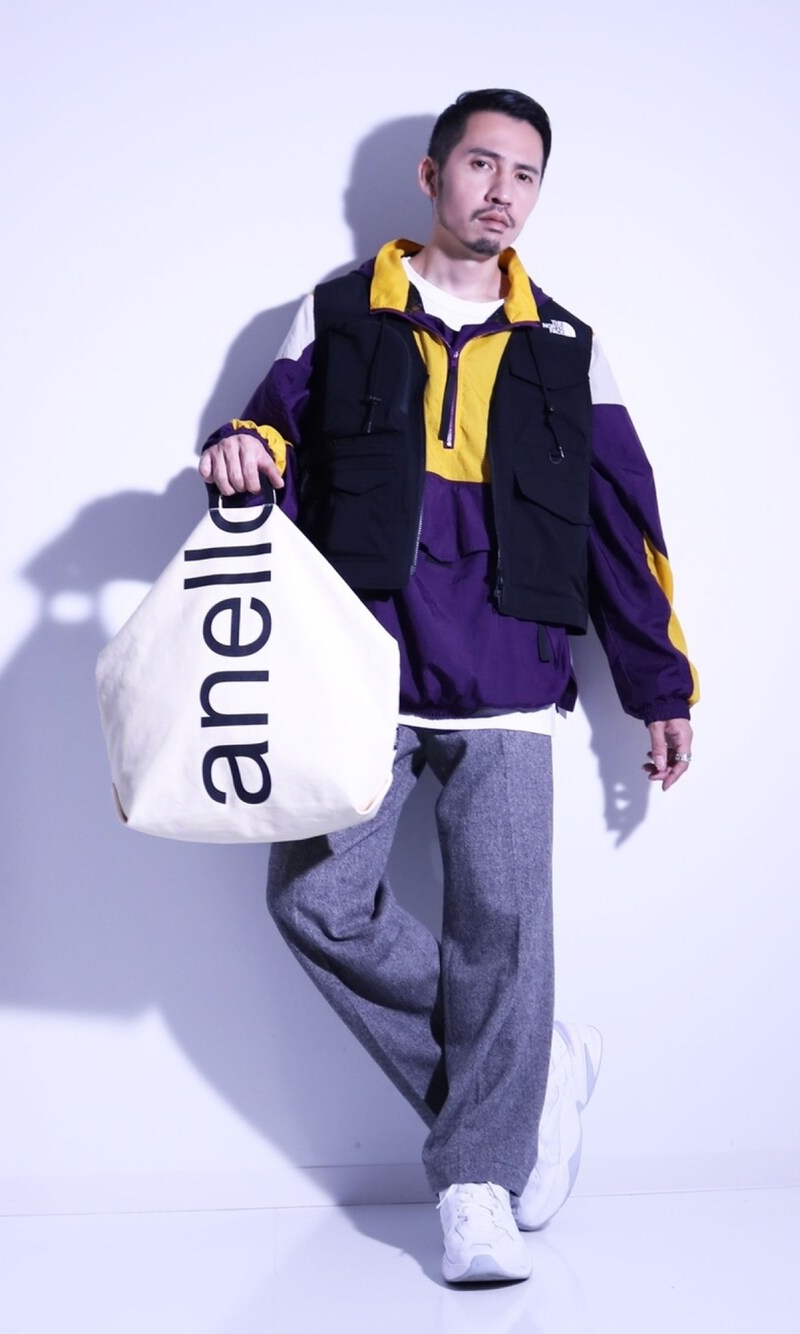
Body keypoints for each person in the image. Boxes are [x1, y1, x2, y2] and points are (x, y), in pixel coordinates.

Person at [198, 88, 697, 1284]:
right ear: (432, 176)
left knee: (502, 932)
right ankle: (528, 1070)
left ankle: (475, 1186)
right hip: (360, 669)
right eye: (481, 164)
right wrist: (242, 451)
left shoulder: (566, 345)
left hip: (511, 677)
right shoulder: (337, 314)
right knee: (315, 902)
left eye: (525, 174)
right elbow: (270, 435)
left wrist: (660, 683)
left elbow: (623, 526)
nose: (502, 192)